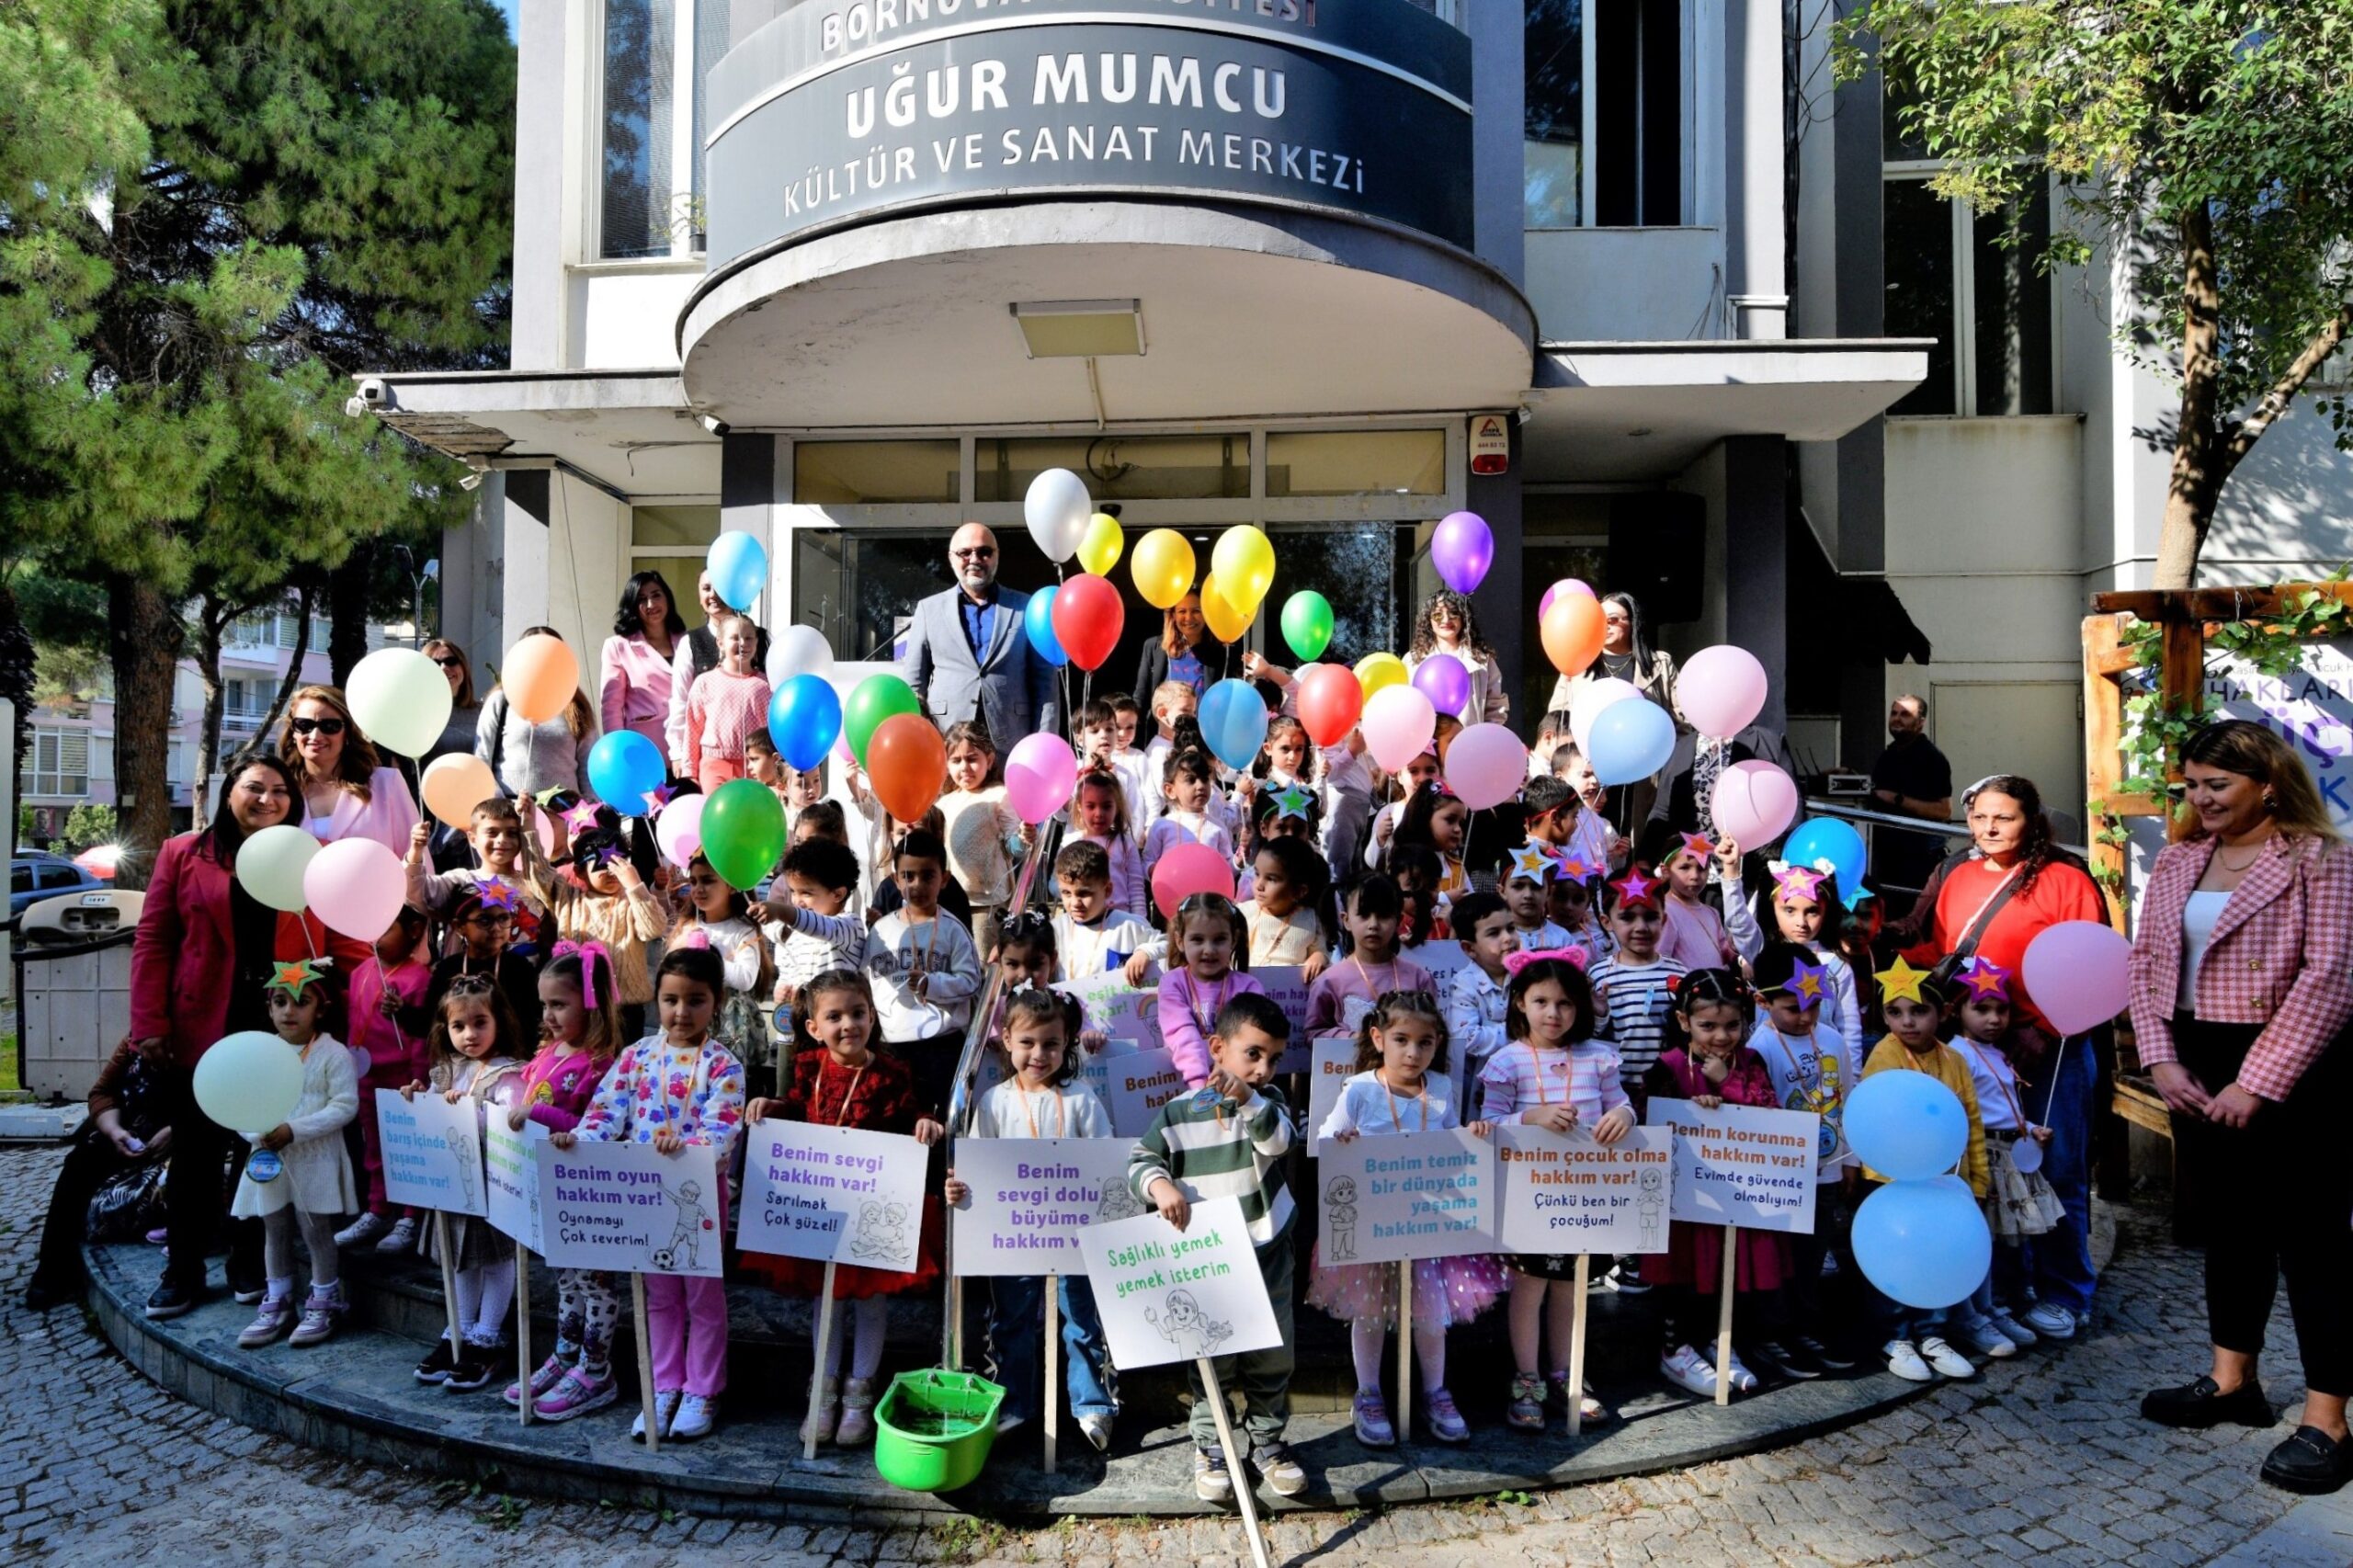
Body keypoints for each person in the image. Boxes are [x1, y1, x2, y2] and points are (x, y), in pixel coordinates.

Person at [2131, 721, 2353, 1495]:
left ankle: (2327, 1419)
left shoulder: (2320, 859)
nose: (2201, 799)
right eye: (2192, 785)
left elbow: (2330, 977)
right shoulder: (2180, 858)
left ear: (2266, 782)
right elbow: (2147, 960)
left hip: (2293, 1067)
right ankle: (2234, 1382)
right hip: (2196, 1060)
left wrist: (2258, 1080)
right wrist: (2160, 1057)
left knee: (2313, 1242)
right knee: (2229, 1229)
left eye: (2217, 785)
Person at [1889, 773, 2106, 1342]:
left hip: (2050, 1043)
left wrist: (2048, 1026)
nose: (1989, 827)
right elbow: (1937, 952)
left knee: (2054, 1169)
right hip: (1978, 1044)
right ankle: (2011, 1289)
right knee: (1991, 1169)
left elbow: (2088, 962)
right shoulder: (1955, 873)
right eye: (1980, 816)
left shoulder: (2066, 878)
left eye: (2003, 817)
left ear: (2031, 820)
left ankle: (2068, 1292)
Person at [131, 753, 318, 1321]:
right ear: (228, 792)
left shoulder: (303, 859)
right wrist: (150, 1024)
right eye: (255, 787)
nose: (268, 799)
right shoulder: (182, 854)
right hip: (201, 1026)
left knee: (260, 1150)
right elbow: (153, 941)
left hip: (275, 1024)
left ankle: (248, 1259)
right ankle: (182, 1269)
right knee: (196, 1155)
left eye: (281, 790)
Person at [745, 969, 946, 1448]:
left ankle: (860, 1393)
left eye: (857, 1014)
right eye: (833, 1017)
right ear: (813, 1027)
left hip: (871, 1202)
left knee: (870, 1301)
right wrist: (773, 1108)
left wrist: (925, 1126)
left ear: (872, 1017)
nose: (847, 1025)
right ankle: (824, 1390)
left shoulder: (891, 1073)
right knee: (826, 1300)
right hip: (823, 1204)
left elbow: (912, 1114)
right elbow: (797, 1110)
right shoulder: (809, 1066)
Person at [562, 946, 747, 1444]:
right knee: (658, 1295)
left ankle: (703, 1388)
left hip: (699, 1196)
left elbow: (722, 1128)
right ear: (656, 1002)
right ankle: (663, 1384)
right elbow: (606, 1111)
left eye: (695, 1000)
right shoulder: (636, 1056)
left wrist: (686, 1147)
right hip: (642, 1196)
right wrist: (579, 1140)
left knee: (703, 1297)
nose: (681, 1012)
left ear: (717, 1001)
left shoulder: (724, 1066)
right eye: (670, 1000)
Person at [1129, 991, 1306, 1504]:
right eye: (1253, 1054)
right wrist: (1159, 1186)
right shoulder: (1179, 1112)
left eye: (1273, 1058)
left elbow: (1279, 1142)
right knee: (1213, 1355)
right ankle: (1214, 1444)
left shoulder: (1268, 1105)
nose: (1263, 1068)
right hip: (1208, 1259)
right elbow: (1140, 1160)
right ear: (1217, 1048)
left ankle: (1270, 1442)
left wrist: (1250, 1101)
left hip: (1267, 1247)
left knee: (1272, 1352)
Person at [1309, 988, 1505, 1447]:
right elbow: (1323, 1139)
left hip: (1427, 1221)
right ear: (1378, 1038)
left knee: (1432, 1313)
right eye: (1401, 1039)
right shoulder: (1358, 1089)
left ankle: (1436, 1391)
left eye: (1425, 1042)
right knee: (1371, 1311)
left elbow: (1450, 1146)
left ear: (1438, 1044)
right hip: (1374, 1224)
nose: (1413, 1052)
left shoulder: (1440, 1089)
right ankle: (1369, 1392)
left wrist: (1470, 1133)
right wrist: (1342, 1138)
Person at [943, 988, 1118, 1447]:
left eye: (1051, 1044)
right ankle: (1015, 1402)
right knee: (1012, 1321)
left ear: (1067, 1045)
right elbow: (977, 1165)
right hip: (1013, 1234)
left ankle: (1092, 1404)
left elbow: (1104, 1161)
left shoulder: (1081, 1098)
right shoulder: (993, 1102)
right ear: (1005, 1040)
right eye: (1028, 1043)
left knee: (1081, 1317)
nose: (1039, 1054)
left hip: (1075, 1234)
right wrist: (958, 1186)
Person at [1483, 953, 1629, 1429]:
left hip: (1584, 1199)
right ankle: (1527, 1379)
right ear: (1521, 1004)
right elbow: (1488, 1125)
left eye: (1565, 1003)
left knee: (1570, 1288)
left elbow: (1621, 1103)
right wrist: (1531, 1117)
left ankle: (1567, 1374)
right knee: (1529, 1290)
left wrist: (1623, 1116)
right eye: (1541, 1001)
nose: (1553, 1013)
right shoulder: (1506, 1061)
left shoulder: (1598, 1056)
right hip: (1528, 1200)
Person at [1644, 969, 1788, 1398]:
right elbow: (1654, 1126)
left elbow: (1770, 1116)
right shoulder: (1667, 1067)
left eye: (1732, 1025)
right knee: (1685, 1273)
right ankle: (1675, 1349)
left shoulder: (1751, 1063)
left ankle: (1717, 1338)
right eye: (1708, 1026)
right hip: (1686, 1205)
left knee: (1725, 1271)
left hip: (1735, 1196)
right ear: (1685, 1021)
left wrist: (1729, 1084)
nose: (1721, 1037)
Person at [505, 943, 628, 1419]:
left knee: (594, 1282)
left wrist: (536, 1112)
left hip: (588, 1193)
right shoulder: (551, 1052)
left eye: (559, 1004)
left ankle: (597, 1370)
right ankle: (567, 1355)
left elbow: (590, 1125)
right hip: (551, 1189)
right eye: (545, 1005)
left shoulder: (603, 1064)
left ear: (591, 1002)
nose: (549, 1015)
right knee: (565, 1279)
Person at [1859, 965, 1988, 1383]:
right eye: (1895, 1013)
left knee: (1937, 1256)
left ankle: (1933, 1334)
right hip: (1896, 1183)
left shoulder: (1955, 1060)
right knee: (1896, 1257)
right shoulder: (1885, 1055)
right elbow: (1874, 1116)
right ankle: (1895, 1337)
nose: (1907, 1021)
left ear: (1943, 1012)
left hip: (1945, 1182)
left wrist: (1979, 1181)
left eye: (1918, 1010)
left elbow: (1970, 1120)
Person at [402, 975, 526, 1392]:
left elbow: (509, 1126)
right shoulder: (447, 1071)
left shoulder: (508, 1074)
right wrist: (419, 1097)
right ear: (445, 1029)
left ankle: (488, 1336)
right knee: (459, 1257)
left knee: (495, 1258)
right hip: (455, 1185)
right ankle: (460, 1328)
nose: (469, 1034)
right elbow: (433, 1118)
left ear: (499, 1021)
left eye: (479, 1022)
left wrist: (471, 1111)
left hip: (492, 1185)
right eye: (459, 1026)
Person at [232, 960, 358, 1351]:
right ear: (269, 1008)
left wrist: (295, 1130)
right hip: (269, 1159)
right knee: (274, 1228)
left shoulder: (332, 1054)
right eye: (281, 1002)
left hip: (315, 1157)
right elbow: (237, 1102)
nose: (290, 1011)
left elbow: (344, 1105)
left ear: (319, 1009)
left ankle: (324, 1299)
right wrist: (256, 1133)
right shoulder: (260, 1053)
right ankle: (279, 1297)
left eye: (301, 1002)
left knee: (315, 1228)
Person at [24, 1035, 172, 1310]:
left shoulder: (206, 1040)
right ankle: (52, 1269)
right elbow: (102, 1093)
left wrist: (176, 1131)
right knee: (80, 1162)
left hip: (180, 1145)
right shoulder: (134, 1040)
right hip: (130, 1135)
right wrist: (115, 1131)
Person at [903, 523, 1058, 743]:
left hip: (1012, 741)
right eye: (965, 553)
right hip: (947, 741)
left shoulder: (1026, 608)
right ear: (951, 558)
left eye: (984, 552)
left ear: (996, 556)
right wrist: (916, 740)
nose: (974, 559)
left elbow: (1045, 683)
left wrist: (1045, 742)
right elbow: (914, 684)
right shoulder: (929, 610)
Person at [1550, 593, 1679, 833]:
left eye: (1613, 619)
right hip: (1589, 771)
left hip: (1644, 773)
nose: (1605, 626)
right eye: (1599, 620)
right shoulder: (1577, 663)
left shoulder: (1659, 664)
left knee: (1635, 837)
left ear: (1633, 623)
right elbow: (1558, 717)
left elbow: (1680, 722)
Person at [279, 685, 422, 858]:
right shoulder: (280, 789)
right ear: (293, 731)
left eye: (330, 726)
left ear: (347, 732)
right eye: (304, 725)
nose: (315, 735)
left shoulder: (386, 783)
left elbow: (417, 857)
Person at [1642, 722, 1796, 867]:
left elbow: (1792, 807)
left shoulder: (1767, 742)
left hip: (1748, 870)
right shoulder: (1680, 748)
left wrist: (1787, 862)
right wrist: (1644, 860)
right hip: (1692, 874)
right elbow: (1662, 811)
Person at [665, 571, 772, 778]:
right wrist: (679, 754)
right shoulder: (691, 642)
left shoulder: (762, 638)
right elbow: (681, 703)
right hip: (714, 764)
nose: (713, 595)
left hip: (758, 765)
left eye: (720, 588)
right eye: (706, 589)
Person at [478, 626, 599, 801]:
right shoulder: (501, 700)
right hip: (511, 809)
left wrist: (589, 809)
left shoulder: (577, 705)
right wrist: (499, 804)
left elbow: (588, 765)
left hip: (564, 811)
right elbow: (481, 758)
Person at [1158, 892, 1266, 1086]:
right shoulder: (1172, 983)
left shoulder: (1249, 987)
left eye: (1219, 939)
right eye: (1198, 940)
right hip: (1186, 1086)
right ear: (1180, 941)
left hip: (1237, 1086)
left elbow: (1249, 1042)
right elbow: (1181, 1033)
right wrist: (1199, 1082)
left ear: (1233, 940)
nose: (1209, 949)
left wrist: (1227, 1077)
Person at [1866, 695, 1956, 907]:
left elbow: (1944, 810)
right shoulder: (1889, 755)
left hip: (1916, 861)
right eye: (1894, 713)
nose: (1897, 719)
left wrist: (1897, 799)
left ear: (1921, 722)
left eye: (1905, 714)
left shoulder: (1932, 758)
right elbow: (1878, 791)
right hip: (1886, 857)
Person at [601, 569, 686, 754]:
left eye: (656, 595)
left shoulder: (687, 640)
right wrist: (617, 750)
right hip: (644, 748)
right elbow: (611, 706)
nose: (651, 604)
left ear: (667, 599)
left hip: (686, 745)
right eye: (641, 599)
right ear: (632, 606)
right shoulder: (619, 646)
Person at [683, 613, 770, 792]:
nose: (743, 644)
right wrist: (689, 769)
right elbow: (693, 728)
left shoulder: (765, 685)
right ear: (720, 643)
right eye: (735, 638)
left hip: (753, 767)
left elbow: (772, 730)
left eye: (749, 638)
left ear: (756, 642)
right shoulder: (705, 682)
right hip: (715, 765)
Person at [1403, 589, 1509, 725]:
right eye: (1438, 615)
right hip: (1426, 743)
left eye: (1453, 613)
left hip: (1470, 743)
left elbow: (1496, 707)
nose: (1446, 620)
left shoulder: (1482, 660)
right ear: (1428, 620)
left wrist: (1485, 738)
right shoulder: (1412, 660)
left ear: (1463, 618)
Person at [1130, 589, 1228, 708]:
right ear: (1173, 615)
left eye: (1196, 611)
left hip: (1202, 725)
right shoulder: (1153, 647)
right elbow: (1140, 696)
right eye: (1182, 611)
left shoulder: (1219, 651)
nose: (1189, 618)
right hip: (1164, 725)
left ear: (1206, 613)